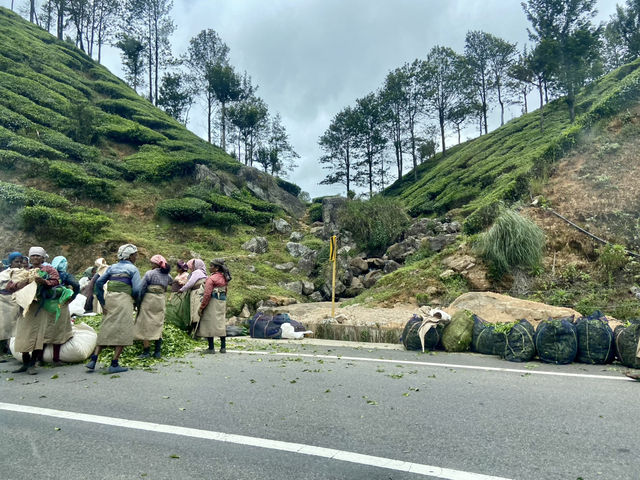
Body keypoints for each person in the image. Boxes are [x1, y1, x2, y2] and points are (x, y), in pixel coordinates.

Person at [85, 244, 141, 374]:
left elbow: (99, 283)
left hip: (110, 300)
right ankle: (114, 363)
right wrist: (136, 301)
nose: (136, 257)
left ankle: (93, 360)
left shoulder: (112, 268)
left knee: (106, 327)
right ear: (130, 256)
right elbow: (137, 289)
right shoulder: (133, 269)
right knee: (123, 330)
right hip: (124, 301)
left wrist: (102, 302)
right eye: (135, 255)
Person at [7, 247, 60, 375]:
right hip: (25, 307)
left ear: (43, 258)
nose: (35, 258)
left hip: (39, 307)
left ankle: (32, 364)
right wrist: (25, 282)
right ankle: (25, 363)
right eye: (33, 256)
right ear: (29, 258)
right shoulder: (24, 271)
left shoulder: (48, 270)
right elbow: (10, 286)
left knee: (37, 336)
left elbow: (56, 281)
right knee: (23, 335)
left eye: (38, 256)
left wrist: (44, 282)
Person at [43, 256, 79, 366]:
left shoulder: (46, 273)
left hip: (46, 305)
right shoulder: (64, 275)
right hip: (60, 304)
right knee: (58, 330)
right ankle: (56, 359)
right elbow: (76, 285)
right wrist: (72, 297)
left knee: (45, 330)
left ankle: (39, 358)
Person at [134, 255, 172, 359]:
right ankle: (157, 352)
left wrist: (137, 302)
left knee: (146, 324)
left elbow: (141, 289)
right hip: (160, 300)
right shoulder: (167, 275)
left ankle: (146, 352)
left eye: (152, 263)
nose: (151, 265)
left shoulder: (149, 273)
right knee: (158, 323)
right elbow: (171, 283)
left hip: (149, 300)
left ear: (155, 264)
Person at [197, 259, 231, 354]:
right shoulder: (224, 277)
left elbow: (207, 294)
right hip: (221, 301)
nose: (209, 267)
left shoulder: (211, 279)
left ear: (216, 268)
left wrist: (202, 307)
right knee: (220, 323)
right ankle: (223, 347)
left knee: (209, 323)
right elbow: (226, 290)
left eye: (211, 266)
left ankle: (211, 348)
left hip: (213, 302)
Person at [0, 252, 24, 362]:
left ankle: (14, 351)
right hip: (4, 302)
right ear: (10, 262)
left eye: (20, 262)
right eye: (16, 262)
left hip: (18, 301)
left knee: (17, 327)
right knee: (3, 327)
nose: (19, 264)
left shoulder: (24, 273)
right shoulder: (3, 274)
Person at [179, 259, 208, 335]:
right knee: (198, 312)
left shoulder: (197, 272)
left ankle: (196, 333)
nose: (191, 268)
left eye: (192, 266)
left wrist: (182, 290)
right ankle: (197, 333)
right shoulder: (203, 273)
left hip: (197, 293)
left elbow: (190, 283)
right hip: (199, 292)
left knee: (195, 312)